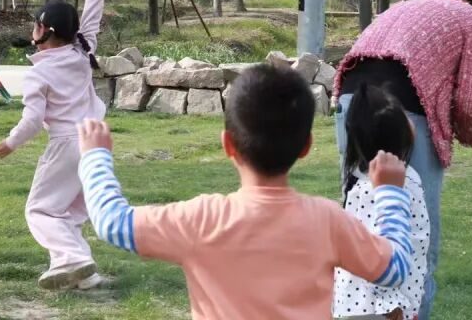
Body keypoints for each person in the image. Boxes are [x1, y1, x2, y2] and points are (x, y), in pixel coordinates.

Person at [76, 64, 415, 320]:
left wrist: (95, 156)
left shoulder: (201, 220)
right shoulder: (327, 221)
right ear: (306, 147)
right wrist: (389, 194)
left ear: (228, 144)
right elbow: (395, 269)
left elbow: (112, 222)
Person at [332, 0, 472, 320]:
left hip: (354, 102)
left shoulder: (426, 7)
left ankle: (353, 308)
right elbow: (471, 100)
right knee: (414, 223)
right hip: (405, 108)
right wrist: (471, 137)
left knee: (359, 215)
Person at [0, 0, 116, 291]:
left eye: (36, 24)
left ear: (45, 31)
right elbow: (91, 19)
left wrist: (11, 143)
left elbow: (32, 121)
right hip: (96, 141)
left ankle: (71, 259)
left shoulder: (39, 73)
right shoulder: (81, 53)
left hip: (67, 143)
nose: (32, 28)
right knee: (70, 211)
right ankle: (85, 274)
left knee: (41, 211)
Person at [334, 83, 429, 320]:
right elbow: (377, 248)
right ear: (398, 131)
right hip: (373, 307)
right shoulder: (378, 189)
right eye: (404, 116)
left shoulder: (398, 176)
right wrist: (392, 302)